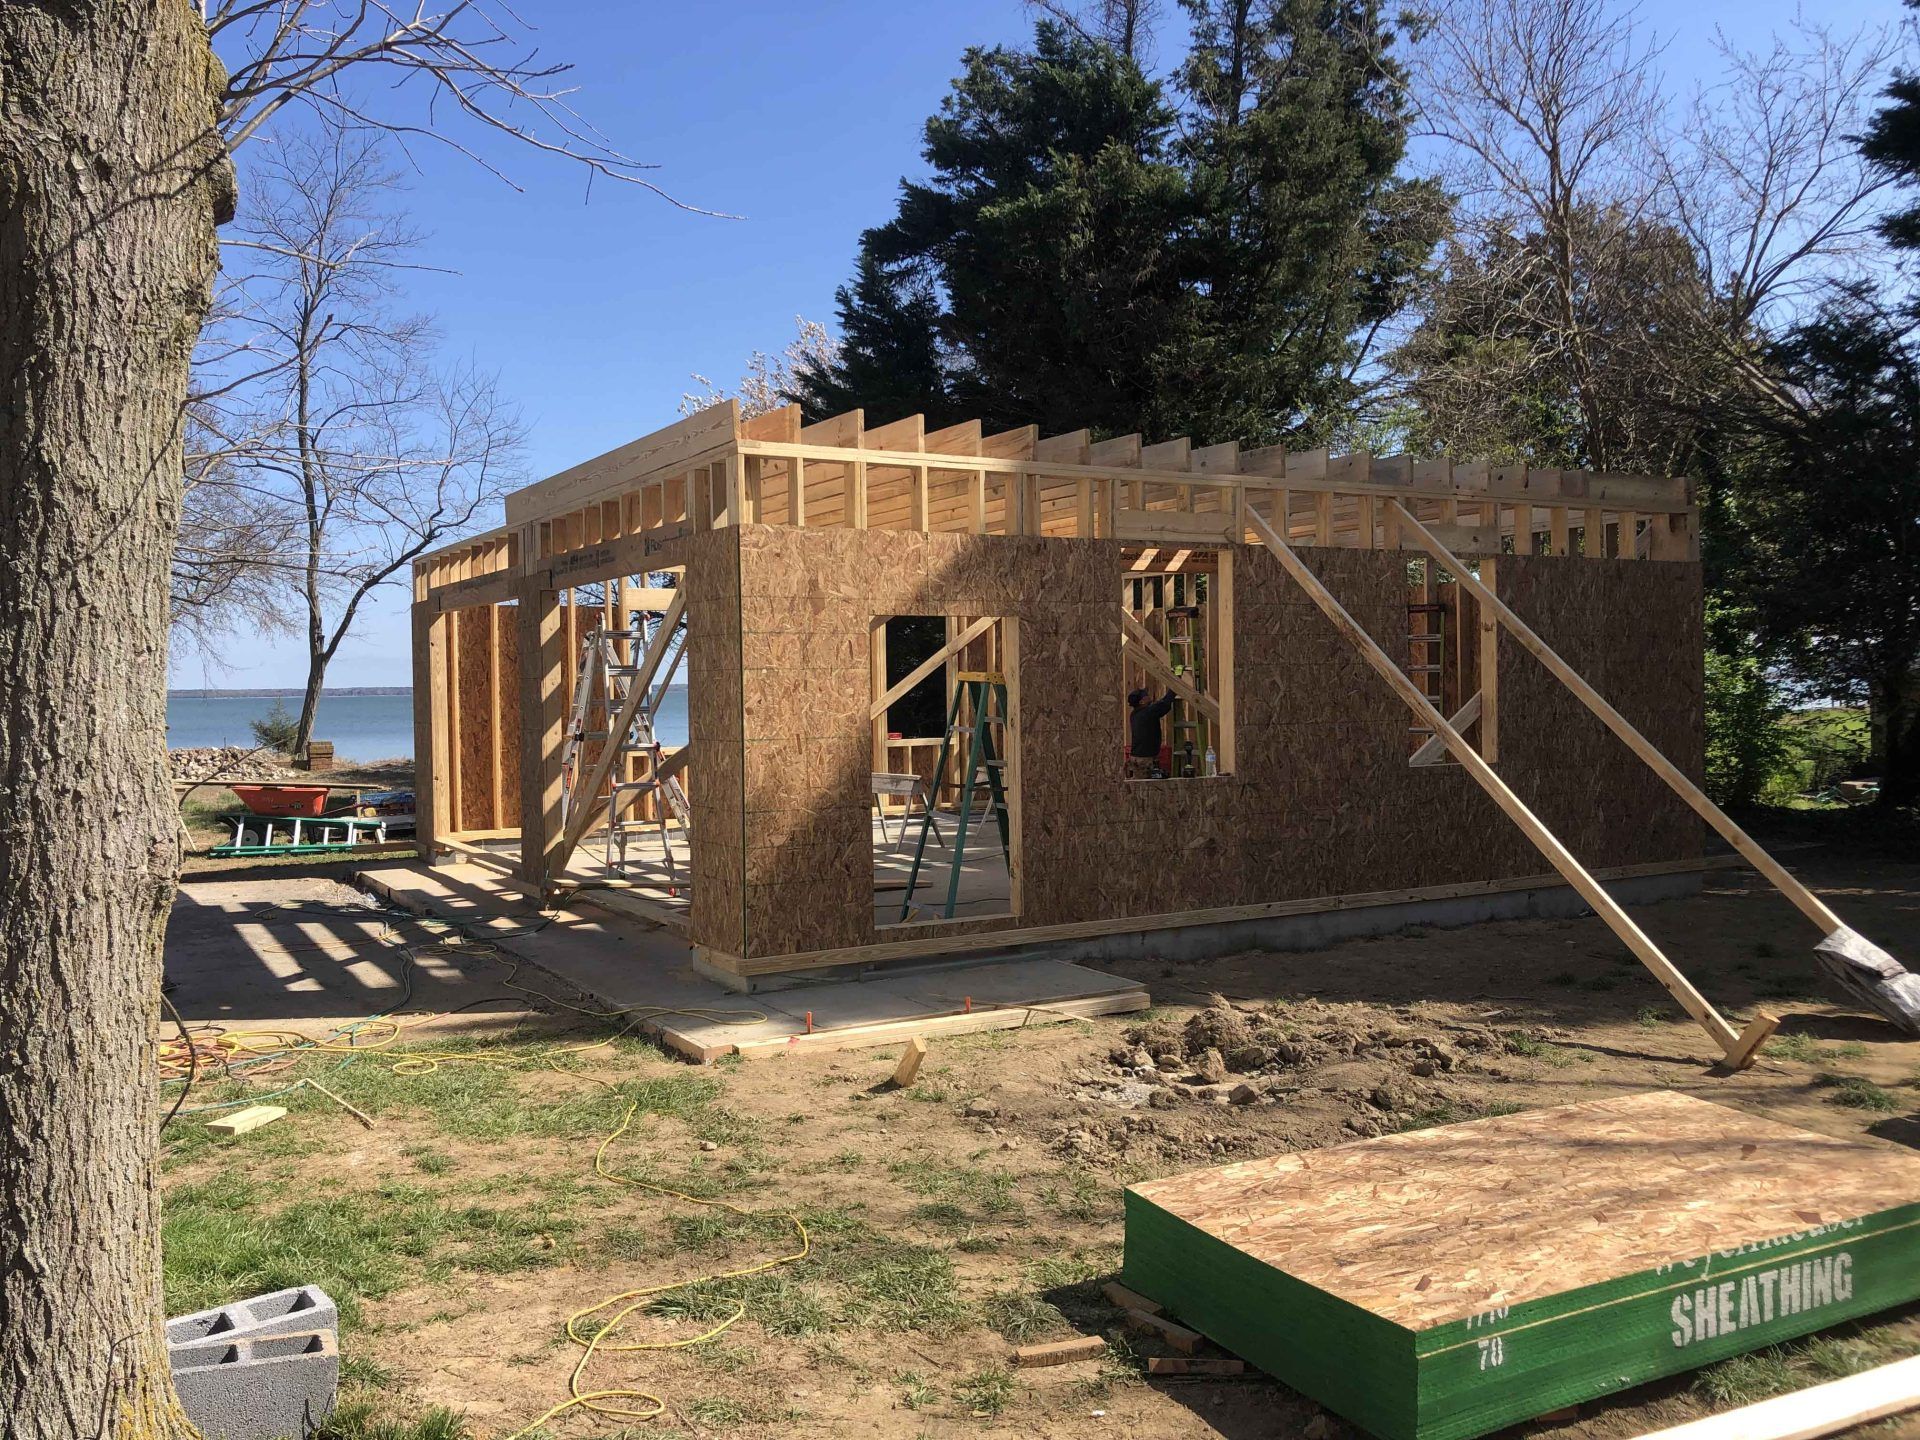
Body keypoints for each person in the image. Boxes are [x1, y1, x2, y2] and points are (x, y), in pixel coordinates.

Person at [1127, 687, 1175, 776]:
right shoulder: (1148, 712)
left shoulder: (1134, 714)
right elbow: (1165, 703)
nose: (1148, 696)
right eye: (1145, 696)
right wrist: (1176, 681)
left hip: (1136, 757)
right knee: (1144, 786)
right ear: (1141, 702)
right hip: (1145, 760)